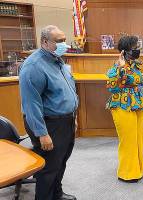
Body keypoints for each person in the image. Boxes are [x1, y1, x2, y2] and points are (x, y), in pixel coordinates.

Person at [19, 25, 78, 200]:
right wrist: (42, 134)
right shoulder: (34, 66)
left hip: (65, 121)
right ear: (45, 42)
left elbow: (67, 91)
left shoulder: (57, 60)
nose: (64, 44)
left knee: (60, 162)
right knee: (48, 168)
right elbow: (31, 104)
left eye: (64, 40)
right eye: (59, 41)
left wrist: (73, 117)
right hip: (48, 124)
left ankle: (57, 195)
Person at [106, 35, 143, 183]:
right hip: (122, 106)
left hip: (138, 105)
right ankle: (127, 173)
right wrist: (120, 67)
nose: (137, 50)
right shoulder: (116, 66)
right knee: (128, 140)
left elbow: (139, 84)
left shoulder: (137, 65)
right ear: (124, 51)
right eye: (134, 47)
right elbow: (112, 87)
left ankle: (137, 170)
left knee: (138, 138)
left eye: (138, 47)